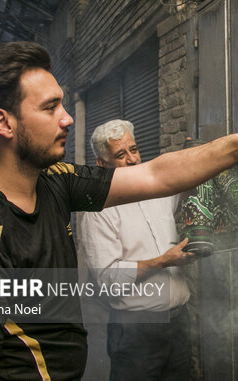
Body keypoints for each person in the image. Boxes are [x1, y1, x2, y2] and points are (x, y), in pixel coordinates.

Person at [0, 41, 238, 381]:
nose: (67, 118)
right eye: (49, 107)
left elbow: (157, 173)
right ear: (3, 123)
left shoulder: (56, 181)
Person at [78, 119, 194, 380]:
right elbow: (108, 279)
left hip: (178, 322)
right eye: (120, 154)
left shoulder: (158, 189)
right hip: (135, 329)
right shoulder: (99, 211)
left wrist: (194, 158)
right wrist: (162, 261)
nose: (132, 159)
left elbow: (188, 190)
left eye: (134, 149)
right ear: (102, 164)